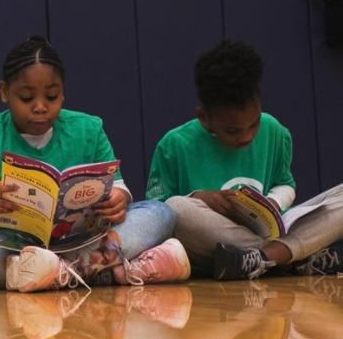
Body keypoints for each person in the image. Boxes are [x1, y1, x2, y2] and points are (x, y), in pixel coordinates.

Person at [0, 36, 184, 292]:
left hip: (85, 237)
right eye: (27, 98)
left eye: (51, 96)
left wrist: (119, 199)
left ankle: (58, 272)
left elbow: (120, 189)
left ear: (63, 93)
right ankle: (107, 267)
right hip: (19, 243)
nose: (40, 107)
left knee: (161, 212)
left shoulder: (89, 128)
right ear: (4, 92)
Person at [146, 40, 343, 280]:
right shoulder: (174, 144)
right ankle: (291, 256)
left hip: (270, 234)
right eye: (232, 131)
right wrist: (200, 198)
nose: (247, 136)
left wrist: (272, 203)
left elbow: (285, 184)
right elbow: (157, 216)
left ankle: (263, 259)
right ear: (204, 117)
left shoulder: (275, 130)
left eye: (254, 124)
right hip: (215, 242)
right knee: (177, 208)